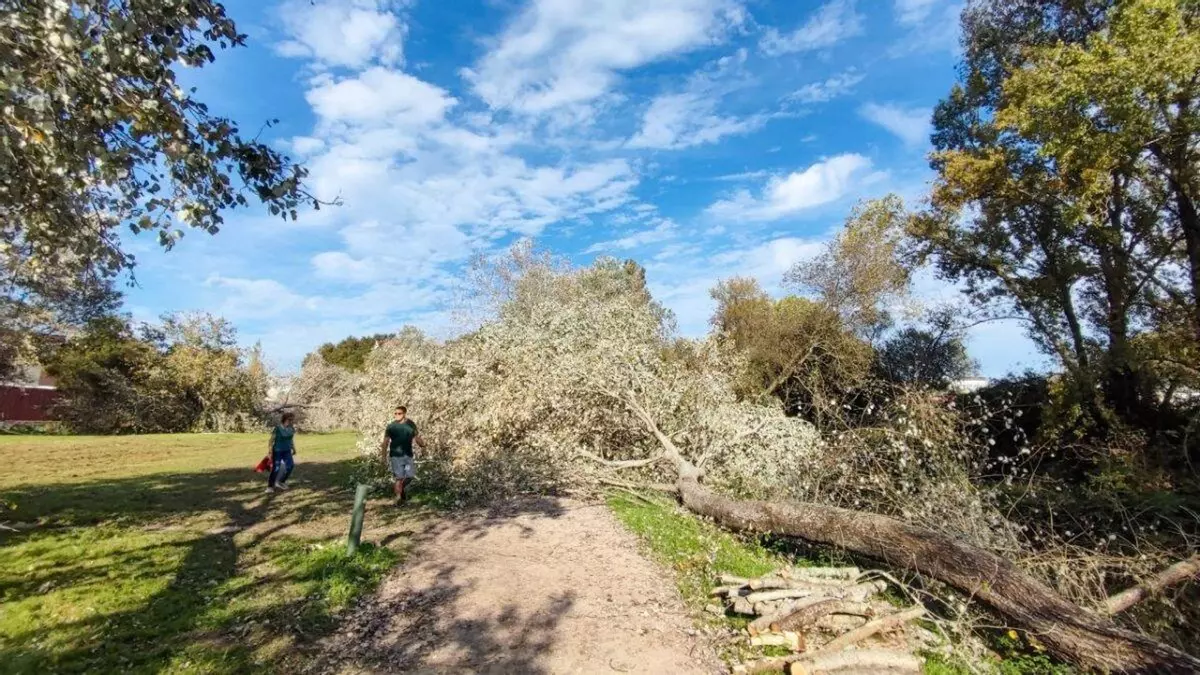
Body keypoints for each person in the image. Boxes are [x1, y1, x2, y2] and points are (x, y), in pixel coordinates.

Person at [381, 405, 425, 505]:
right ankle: (398, 498)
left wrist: (423, 446)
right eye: (395, 413)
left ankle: (400, 491)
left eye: (399, 413)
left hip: (408, 456)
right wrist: (383, 457)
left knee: (410, 476)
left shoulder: (410, 424)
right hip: (396, 456)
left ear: (404, 414)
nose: (397, 415)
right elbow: (385, 442)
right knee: (399, 477)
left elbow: (416, 437)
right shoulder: (391, 426)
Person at [267, 412, 297, 493]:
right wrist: (270, 451)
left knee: (290, 466)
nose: (291, 421)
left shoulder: (291, 429)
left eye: (292, 420)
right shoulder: (278, 428)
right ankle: (270, 486)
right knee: (276, 468)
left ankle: (281, 482)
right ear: (285, 419)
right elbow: (271, 440)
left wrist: (293, 448)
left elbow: (290, 439)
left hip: (287, 450)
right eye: (290, 419)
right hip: (278, 451)